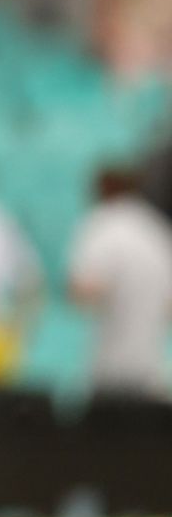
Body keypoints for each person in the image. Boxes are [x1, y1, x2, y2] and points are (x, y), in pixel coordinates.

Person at [69, 170, 172, 400]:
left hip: (110, 373)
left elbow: (82, 291)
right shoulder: (159, 230)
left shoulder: (103, 224)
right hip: (151, 371)